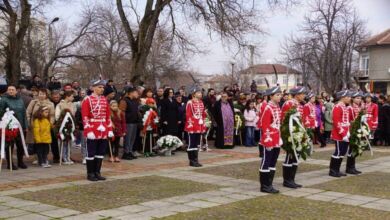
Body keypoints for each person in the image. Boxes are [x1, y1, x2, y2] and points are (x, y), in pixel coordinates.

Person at [82, 79, 113, 181]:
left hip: (103, 128)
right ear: (93, 88)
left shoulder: (104, 99)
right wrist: (88, 130)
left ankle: (97, 172)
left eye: (103, 87)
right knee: (91, 152)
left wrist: (109, 129)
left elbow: (108, 116)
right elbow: (85, 116)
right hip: (92, 128)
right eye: (99, 87)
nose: (102, 89)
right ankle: (90, 173)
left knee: (100, 152)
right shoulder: (87, 100)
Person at [281, 86, 306, 188]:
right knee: (290, 156)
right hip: (290, 134)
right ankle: (287, 180)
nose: (304, 95)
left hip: (298, 133)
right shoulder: (289, 103)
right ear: (296, 95)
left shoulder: (299, 104)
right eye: (302, 94)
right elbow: (284, 119)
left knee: (296, 156)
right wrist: (288, 135)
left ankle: (292, 179)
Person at [259, 86, 282, 194]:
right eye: (277, 95)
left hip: (276, 138)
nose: (280, 96)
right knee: (266, 161)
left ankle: (270, 184)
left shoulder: (277, 107)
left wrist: (279, 137)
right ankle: (264, 186)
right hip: (269, 138)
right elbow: (264, 125)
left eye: (280, 94)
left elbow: (278, 123)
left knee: (273, 162)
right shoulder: (267, 108)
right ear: (271, 96)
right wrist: (267, 140)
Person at [0, 85, 28, 169]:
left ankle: (20, 162)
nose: (11, 91)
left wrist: (25, 125)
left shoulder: (20, 100)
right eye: (9, 90)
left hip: (20, 126)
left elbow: (24, 113)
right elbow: (0, 112)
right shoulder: (4, 100)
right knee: (10, 145)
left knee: (21, 145)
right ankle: (10, 163)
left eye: (13, 90)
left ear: (16, 91)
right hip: (10, 126)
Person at [329, 90, 351, 178]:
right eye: (348, 97)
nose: (350, 98)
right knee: (338, 152)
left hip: (345, 133)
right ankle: (333, 170)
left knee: (342, 152)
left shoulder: (344, 106)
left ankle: (337, 170)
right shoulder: (337, 107)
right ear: (342, 97)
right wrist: (343, 133)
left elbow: (346, 121)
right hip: (339, 134)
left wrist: (347, 132)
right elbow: (336, 122)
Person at [185, 87, 206, 167]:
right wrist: (190, 125)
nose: (200, 94)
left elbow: (203, 114)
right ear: (194, 94)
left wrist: (204, 122)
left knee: (197, 143)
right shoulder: (190, 102)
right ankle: (191, 161)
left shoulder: (201, 102)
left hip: (199, 124)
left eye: (200, 93)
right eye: (198, 93)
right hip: (192, 125)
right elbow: (188, 115)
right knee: (191, 143)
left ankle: (196, 160)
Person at [346, 91, 364, 175]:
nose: (359, 100)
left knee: (355, 148)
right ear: (353, 99)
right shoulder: (350, 108)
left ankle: (352, 167)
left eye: (360, 98)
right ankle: (349, 168)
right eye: (357, 98)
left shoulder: (358, 107)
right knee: (351, 149)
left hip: (358, 129)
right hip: (352, 130)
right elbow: (350, 120)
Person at [119, 87, 140, 160]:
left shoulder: (135, 101)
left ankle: (130, 151)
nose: (137, 94)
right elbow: (122, 112)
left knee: (132, 138)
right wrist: (123, 122)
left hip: (134, 122)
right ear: (131, 93)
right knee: (127, 138)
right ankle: (126, 153)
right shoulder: (124, 101)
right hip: (128, 122)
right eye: (136, 92)